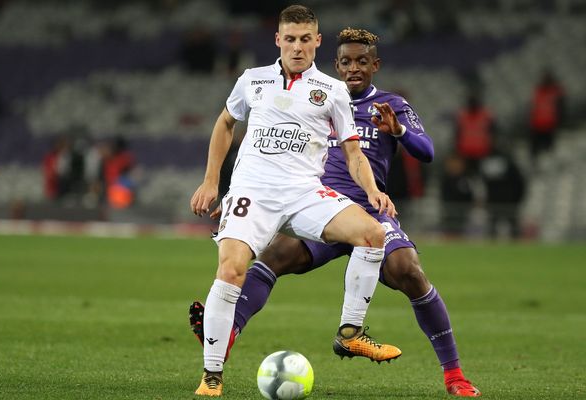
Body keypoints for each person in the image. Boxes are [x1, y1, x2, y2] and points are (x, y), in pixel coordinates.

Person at [191, 27, 481, 397]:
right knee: (273, 255)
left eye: (362, 62)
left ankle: (454, 375)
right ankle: (223, 336)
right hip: (317, 205)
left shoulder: (391, 105)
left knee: (408, 271)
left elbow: (426, 152)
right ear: (337, 64)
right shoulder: (322, 97)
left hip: (366, 208)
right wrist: (244, 197)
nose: (353, 69)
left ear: (375, 65)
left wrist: (399, 130)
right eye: (346, 62)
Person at [189, 7, 398, 397]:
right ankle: (212, 375)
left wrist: (371, 190)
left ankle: (350, 332)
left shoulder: (333, 91)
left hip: (304, 193)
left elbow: (353, 154)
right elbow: (225, 123)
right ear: (278, 40)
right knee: (232, 269)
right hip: (253, 193)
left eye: (306, 39)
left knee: (372, 234)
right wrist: (210, 181)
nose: (298, 46)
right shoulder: (253, 80)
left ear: (317, 41)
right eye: (290, 38)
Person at [528, 70, 565, 160]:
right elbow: (533, 107)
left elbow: (561, 107)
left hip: (549, 124)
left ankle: (551, 160)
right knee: (535, 147)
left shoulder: (556, 91)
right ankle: (536, 162)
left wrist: (559, 119)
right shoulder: (538, 91)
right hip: (537, 124)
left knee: (549, 145)